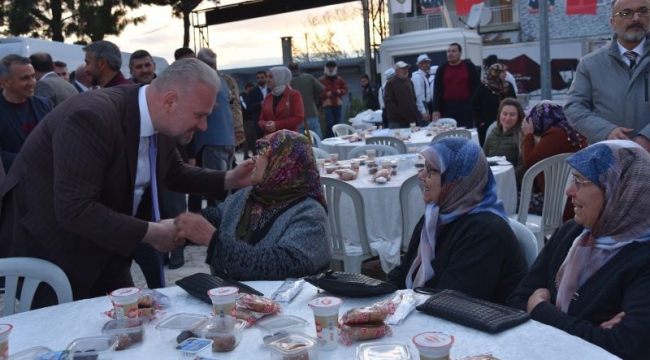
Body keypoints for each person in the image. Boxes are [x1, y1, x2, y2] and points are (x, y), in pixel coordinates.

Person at [0, 58, 254, 306]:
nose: (203, 125)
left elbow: (173, 172)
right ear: (170, 101)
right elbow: (73, 208)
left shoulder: (159, 118)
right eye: (199, 115)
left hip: (105, 246)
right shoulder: (91, 117)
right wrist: (153, 233)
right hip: (54, 251)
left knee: (126, 326)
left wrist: (230, 178)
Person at [507, 140, 650, 359]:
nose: (569, 191)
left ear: (620, 191)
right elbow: (517, 300)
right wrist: (591, 331)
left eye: (581, 181)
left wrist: (541, 310)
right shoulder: (572, 233)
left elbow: (623, 348)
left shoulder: (642, 258)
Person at [174, 130, 330, 280]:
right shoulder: (250, 195)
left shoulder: (310, 212)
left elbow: (281, 265)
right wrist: (179, 227)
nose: (255, 158)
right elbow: (218, 217)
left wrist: (213, 240)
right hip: (232, 300)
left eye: (263, 153)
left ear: (282, 164)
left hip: (282, 304)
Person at [386, 138, 527, 304]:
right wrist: (379, 300)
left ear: (455, 181)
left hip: (472, 323)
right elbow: (403, 272)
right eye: (424, 167)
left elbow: (452, 300)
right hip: (431, 313)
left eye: (431, 170)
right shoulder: (435, 216)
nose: (421, 176)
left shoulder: (486, 232)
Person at [565, 0, 650, 151]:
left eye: (643, 11)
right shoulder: (590, 64)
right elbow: (574, 107)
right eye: (626, 13)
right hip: (608, 160)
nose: (636, 18)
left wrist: (647, 136)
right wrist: (606, 131)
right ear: (613, 22)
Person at [522, 100, 587, 218]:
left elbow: (529, 162)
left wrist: (528, 135)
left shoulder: (556, 134)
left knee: (510, 199)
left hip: (558, 205)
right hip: (577, 200)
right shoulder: (571, 129)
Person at [0, 55, 52, 173]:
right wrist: (32, 161)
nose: (32, 82)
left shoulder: (44, 104)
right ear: (6, 81)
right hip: (11, 183)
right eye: (25, 78)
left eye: (33, 76)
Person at [431, 43, 481, 128]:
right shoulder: (442, 68)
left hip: (465, 106)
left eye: (453, 51)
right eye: (448, 51)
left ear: (460, 53)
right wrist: (436, 109)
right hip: (447, 107)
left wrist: (477, 106)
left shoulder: (469, 66)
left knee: (465, 131)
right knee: (448, 132)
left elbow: (477, 87)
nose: (450, 54)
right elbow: (437, 89)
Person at [483, 98, 526, 187]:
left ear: (519, 117)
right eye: (504, 114)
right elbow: (483, 160)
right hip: (491, 184)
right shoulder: (491, 136)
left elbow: (523, 167)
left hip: (512, 185)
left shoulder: (522, 137)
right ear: (499, 115)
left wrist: (505, 180)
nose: (507, 118)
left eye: (512, 115)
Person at [471, 63, 516, 146]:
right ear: (495, 73)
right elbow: (474, 104)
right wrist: (480, 121)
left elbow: (515, 102)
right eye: (502, 72)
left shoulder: (508, 86)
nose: (505, 74)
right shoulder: (483, 87)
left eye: (505, 71)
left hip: (507, 121)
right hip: (487, 124)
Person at [259, 67, 304, 136]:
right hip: (271, 140)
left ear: (280, 78)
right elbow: (261, 120)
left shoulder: (294, 95)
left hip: (289, 140)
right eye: (267, 77)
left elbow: (298, 118)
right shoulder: (268, 97)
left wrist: (277, 125)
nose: (267, 80)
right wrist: (266, 125)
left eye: (271, 77)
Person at [289, 61, 325, 139]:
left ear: (289, 70)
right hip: (311, 111)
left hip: (296, 115)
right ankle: (318, 151)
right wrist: (313, 96)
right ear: (298, 68)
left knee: (301, 140)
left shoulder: (287, 82)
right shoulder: (309, 77)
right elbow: (322, 88)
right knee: (317, 137)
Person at [383, 61, 418, 129]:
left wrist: (415, 111)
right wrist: (399, 113)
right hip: (396, 121)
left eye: (406, 68)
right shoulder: (390, 83)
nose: (406, 70)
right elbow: (388, 102)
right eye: (403, 69)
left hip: (410, 120)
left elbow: (414, 98)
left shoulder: (410, 82)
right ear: (396, 71)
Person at [319, 61, 348, 138]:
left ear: (335, 68)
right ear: (326, 68)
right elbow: (317, 92)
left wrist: (340, 91)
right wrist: (326, 94)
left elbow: (345, 89)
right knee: (330, 123)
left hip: (337, 103)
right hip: (327, 104)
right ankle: (329, 137)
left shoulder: (339, 79)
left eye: (332, 67)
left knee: (337, 123)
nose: (331, 69)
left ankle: (337, 137)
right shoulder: (321, 80)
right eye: (329, 67)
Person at [412, 54, 433, 126]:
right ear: (419, 64)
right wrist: (423, 112)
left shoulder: (423, 76)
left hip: (426, 105)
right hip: (421, 106)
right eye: (425, 63)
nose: (428, 64)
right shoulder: (417, 77)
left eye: (428, 62)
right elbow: (418, 96)